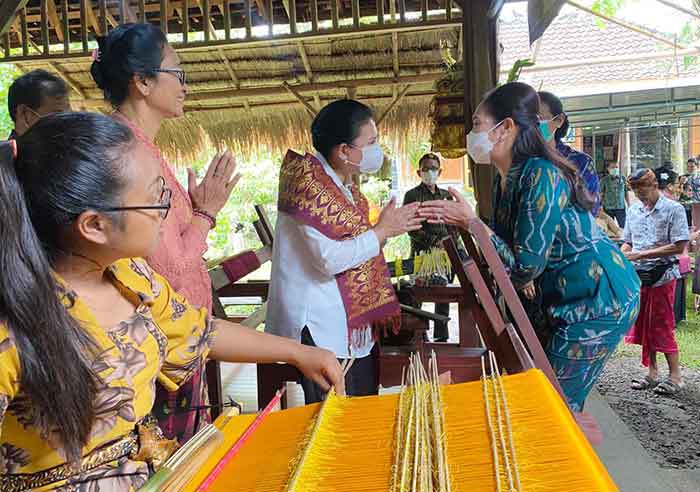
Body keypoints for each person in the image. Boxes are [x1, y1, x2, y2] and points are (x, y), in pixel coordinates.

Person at [0, 112, 343, 490]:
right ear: (94, 226)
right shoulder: (13, 320)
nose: (165, 213)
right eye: (154, 199)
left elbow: (201, 333)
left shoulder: (129, 276)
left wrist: (299, 353)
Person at [419, 82, 641, 414]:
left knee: (552, 407)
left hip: (598, 300)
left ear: (504, 128)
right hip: (561, 298)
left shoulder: (541, 174)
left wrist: (473, 224)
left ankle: (562, 462)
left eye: (477, 124)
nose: (471, 134)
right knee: (537, 390)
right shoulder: (505, 177)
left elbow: (525, 266)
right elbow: (510, 250)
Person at [90, 23, 241, 443]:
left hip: (175, 339)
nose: (185, 86)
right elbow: (171, 265)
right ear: (142, 81)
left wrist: (191, 211)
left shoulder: (141, 147)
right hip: (157, 343)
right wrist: (207, 213)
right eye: (178, 73)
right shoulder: (129, 153)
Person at [267, 99, 422, 404]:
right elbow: (329, 259)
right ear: (344, 151)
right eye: (371, 142)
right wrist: (381, 232)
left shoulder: (344, 188)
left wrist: (386, 230)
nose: (378, 149)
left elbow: (358, 245)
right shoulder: (308, 185)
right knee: (335, 419)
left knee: (360, 407)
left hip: (346, 322)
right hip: (319, 323)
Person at [623, 168, 688, 396]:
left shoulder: (674, 209)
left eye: (643, 190)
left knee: (661, 324)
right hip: (639, 276)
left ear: (653, 185)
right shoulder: (633, 211)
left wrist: (641, 255)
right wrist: (620, 256)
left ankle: (675, 376)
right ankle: (652, 373)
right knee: (643, 325)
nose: (640, 195)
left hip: (663, 275)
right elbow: (628, 243)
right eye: (635, 190)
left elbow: (679, 245)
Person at [403, 152, 453, 342]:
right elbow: (411, 228)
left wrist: (449, 243)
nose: (430, 172)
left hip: (445, 256)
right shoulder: (412, 196)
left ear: (439, 171)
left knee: (444, 293)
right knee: (418, 295)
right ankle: (418, 336)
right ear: (419, 172)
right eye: (426, 169)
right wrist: (434, 241)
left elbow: (453, 225)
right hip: (420, 255)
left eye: (433, 168)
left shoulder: (446, 196)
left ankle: (442, 336)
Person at [538, 91, 601, 216]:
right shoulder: (520, 161)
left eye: (538, 118)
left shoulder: (581, 163)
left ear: (559, 120)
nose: (531, 125)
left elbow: (592, 207)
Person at [7, 69, 70, 139]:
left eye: (69, 115)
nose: (67, 124)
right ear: (24, 114)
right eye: (58, 116)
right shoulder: (8, 149)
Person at [599, 161, 630, 228]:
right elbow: (601, 194)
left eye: (616, 167)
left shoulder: (623, 179)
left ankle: (623, 238)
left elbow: (626, 192)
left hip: (620, 207)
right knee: (610, 228)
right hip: (608, 208)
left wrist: (629, 204)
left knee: (623, 226)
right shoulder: (604, 180)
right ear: (608, 169)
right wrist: (599, 205)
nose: (615, 169)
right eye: (613, 167)